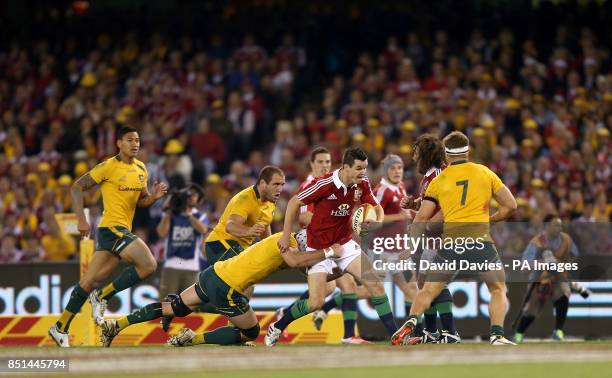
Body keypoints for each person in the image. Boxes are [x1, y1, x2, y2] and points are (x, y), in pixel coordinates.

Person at [97, 232, 343, 347]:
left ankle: (116, 325)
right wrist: (331, 253)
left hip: (213, 273)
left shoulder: (283, 238)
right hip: (228, 287)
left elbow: (304, 267)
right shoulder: (289, 246)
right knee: (250, 331)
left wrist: (334, 268)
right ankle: (193, 338)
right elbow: (298, 263)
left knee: (172, 307)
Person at [391, 131, 517, 346]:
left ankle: (412, 321)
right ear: (467, 151)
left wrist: (410, 246)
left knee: (428, 290)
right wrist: (491, 220)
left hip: (450, 243)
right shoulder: (484, 172)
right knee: (497, 289)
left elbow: (422, 217)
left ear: (447, 154)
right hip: (480, 240)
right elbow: (511, 206)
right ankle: (496, 335)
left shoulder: (439, 180)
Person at [48, 126, 168, 347]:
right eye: (130, 140)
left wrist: (154, 198)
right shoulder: (108, 166)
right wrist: (81, 220)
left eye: (138, 140)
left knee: (88, 281)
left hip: (118, 230)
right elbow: (77, 187)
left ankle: (60, 326)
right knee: (148, 264)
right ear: (119, 143)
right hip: (112, 228)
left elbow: (140, 201)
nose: (135, 144)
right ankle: (102, 296)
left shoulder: (142, 169)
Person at [266, 147, 398, 346]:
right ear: (345, 167)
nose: (363, 173)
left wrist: (377, 222)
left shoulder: (361, 183)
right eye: (359, 168)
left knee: (376, 285)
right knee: (315, 302)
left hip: (344, 244)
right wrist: (286, 236)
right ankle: (278, 326)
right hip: (317, 248)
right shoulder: (324, 184)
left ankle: (396, 335)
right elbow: (294, 203)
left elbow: (376, 206)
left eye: (366, 168)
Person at [278, 147, 368, 344]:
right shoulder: (311, 184)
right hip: (312, 242)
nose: (324, 165)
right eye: (320, 162)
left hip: (333, 241)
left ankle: (287, 313)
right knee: (343, 285)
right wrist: (329, 223)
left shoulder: (341, 184)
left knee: (333, 288)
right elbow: (302, 215)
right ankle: (347, 335)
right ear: (311, 164)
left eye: (327, 162)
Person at [401, 135, 460, 343]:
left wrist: (427, 224)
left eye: (416, 150)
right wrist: (414, 204)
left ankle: (451, 331)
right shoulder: (430, 175)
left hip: (441, 237)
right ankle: (432, 331)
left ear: (425, 153)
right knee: (424, 282)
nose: (413, 154)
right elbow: (431, 203)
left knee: (434, 282)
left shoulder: (438, 174)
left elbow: (447, 206)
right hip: (433, 238)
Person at [201, 166, 284, 303]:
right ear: (263, 183)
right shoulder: (245, 198)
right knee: (244, 284)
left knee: (239, 289)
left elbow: (265, 227)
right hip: (220, 243)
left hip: (237, 248)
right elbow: (230, 226)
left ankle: (187, 303)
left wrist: (272, 249)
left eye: (282, 185)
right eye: (276, 184)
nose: (280, 189)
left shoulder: (270, 203)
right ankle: (239, 323)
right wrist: (249, 231)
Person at [513, 215, 582, 343]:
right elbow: (524, 267)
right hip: (539, 278)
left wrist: (564, 265)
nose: (559, 228)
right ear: (546, 226)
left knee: (564, 292)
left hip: (558, 277)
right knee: (532, 309)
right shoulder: (537, 242)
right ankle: (519, 333)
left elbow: (575, 255)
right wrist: (541, 262)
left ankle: (558, 330)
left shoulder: (566, 239)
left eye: (560, 225)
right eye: (556, 225)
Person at [157, 184, 209, 300]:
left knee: (191, 305)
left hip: (192, 266)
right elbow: (161, 233)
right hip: (171, 265)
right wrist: (169, 211)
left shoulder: (199, 216)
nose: (190, 197)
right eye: (188, 194)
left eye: (194, 195)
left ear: (199, 200)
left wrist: (188, 214)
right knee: (165, 303)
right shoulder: (172, 214)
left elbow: (203, 229)